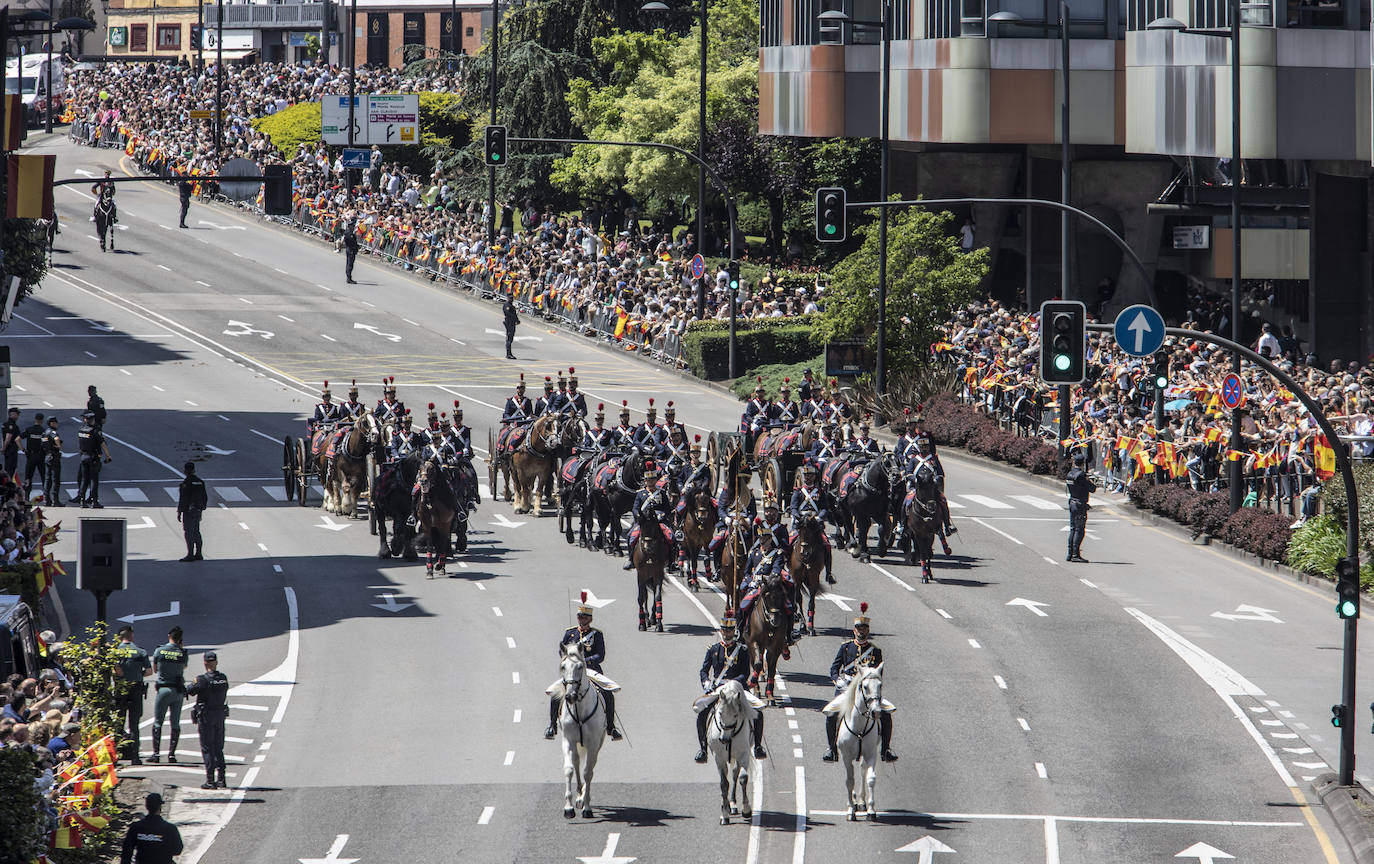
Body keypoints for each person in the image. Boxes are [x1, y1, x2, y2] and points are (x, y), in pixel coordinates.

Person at [822, 603, 897, 763]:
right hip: (847, 689)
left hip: (867, 691)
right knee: (830, 713)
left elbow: (878, 674)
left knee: (887, 713)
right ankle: (831, 749)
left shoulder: (875, 651)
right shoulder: (845, 647)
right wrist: (838, 681)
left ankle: (886, 750)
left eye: (864, 629)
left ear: (868, 631)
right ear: (854, 630)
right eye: (858, 628)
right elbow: (834, 669)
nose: (861, 631)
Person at [692, 610, 766, 762]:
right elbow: (704, 670)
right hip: (718, 689)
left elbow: (745, 673)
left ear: (734, 631)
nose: (726, 633)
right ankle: (703, 749)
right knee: (701, 714)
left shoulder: (743, 650)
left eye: (729, 630)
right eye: (724, 630)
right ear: (721, 631)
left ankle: (758, 746)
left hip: (737, 688)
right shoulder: (713, 650)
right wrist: (706, 683)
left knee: (758, 712)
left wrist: (733, 684)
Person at [545, 596, 622, 740]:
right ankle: (552, 726)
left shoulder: (597, 635)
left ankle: (611, 727)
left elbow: (600, 655)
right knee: (556, 693)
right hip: (573, 672)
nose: (582, 620)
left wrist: (585, 661)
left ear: (590, 619)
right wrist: (570, 661)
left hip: (591, 671)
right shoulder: (570, 633)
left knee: (608, 693)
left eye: (585, 618)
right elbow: (561, 651)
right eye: (580, 617)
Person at [187, 650, 229, 789]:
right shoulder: (223, 678)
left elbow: (189, 690)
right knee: (218, 747)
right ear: (216, 662)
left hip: (206, 717)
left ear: (205, 663)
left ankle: (210, 780)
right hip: (219, 715)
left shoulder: (202, 680)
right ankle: (222, 779)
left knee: (207, 748)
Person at [112, 625, 151, 764]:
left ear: (120, 637)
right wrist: (137, 674)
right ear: (131, 635)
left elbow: (113, 669)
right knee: (134, 724)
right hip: (136, 690)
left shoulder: (115, 652)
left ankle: (115, 755)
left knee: (118, 723)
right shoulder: (140, 651)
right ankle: (135, 756)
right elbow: (149, 671)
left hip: (120, 690)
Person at [149, 626, 188, 763]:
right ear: (180, 639)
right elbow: (183, 667)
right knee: (175, 723)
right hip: (177, 691)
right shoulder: (182, 653)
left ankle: (156, 754)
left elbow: (154, 669)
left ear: (169, 635)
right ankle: (171, 754)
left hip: (163, 689)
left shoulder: (160, 650)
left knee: (158, 722)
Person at [120, 793, 183, 864]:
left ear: (147, 806)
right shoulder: (170, 828)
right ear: (160, 807)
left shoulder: (136, 827)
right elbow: (178, 850)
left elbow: (126, 852)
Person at [75, 411, 112, 508]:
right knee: (93, 480)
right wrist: (108, 456)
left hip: (83, 456)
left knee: (84, 479)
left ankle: (82, 501)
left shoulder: (81, 430)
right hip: (93, 457)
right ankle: (94, 501)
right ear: (93, 420)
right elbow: (102, 443)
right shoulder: (94, 430)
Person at [1065, 451, 1096, 563]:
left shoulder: (1070, 474)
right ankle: (1075, 554)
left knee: (1073, 529)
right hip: (1080, 504)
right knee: (1079, 530)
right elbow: (1092, 488)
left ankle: (1070, 553)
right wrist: (1089, 479)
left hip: (1072, 502)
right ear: (1083, 463)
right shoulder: (1081, 475)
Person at [177, 462, 208, 562]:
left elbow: (183, 499)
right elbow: (205, 497)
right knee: (196, 531)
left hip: (188, 511)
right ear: (194, 470)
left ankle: (190, 554)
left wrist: (180, 511)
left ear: (185, 471)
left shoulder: (186, 483)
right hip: (198, 510)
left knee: (188, 532)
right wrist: (201, 508)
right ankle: (199, 553)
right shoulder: (200, 482)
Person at [40, 416, 63, 506]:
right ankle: (55, 500)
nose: (57, 424)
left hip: (47, 456)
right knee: (56, 479)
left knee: (47, 479)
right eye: (56, 423)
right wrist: (59, 446)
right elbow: (56, 439)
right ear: (52, 423)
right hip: (54, 457)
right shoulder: (52, 432)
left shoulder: (44, 432)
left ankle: (46, 499)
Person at [22, 411, 45, 494]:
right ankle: (46, 495)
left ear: (35, 419)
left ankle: (27, 495)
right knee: (43, 476)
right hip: (41, 456)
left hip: (31, 455)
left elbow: (17, 439)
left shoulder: (29, 430)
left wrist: (23, 450)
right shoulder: (43, 431)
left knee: (28, 476)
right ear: (42, 421)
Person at [2, 406, 20, 478]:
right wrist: (3, 448)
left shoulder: (7, 424)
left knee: (9, 468)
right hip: (11, 450)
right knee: (10, 469)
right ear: (11, 414)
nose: (18, 415)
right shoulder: (11, 425)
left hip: (9, 450)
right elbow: (8, 438)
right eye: (16, 414)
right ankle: (8, 485)